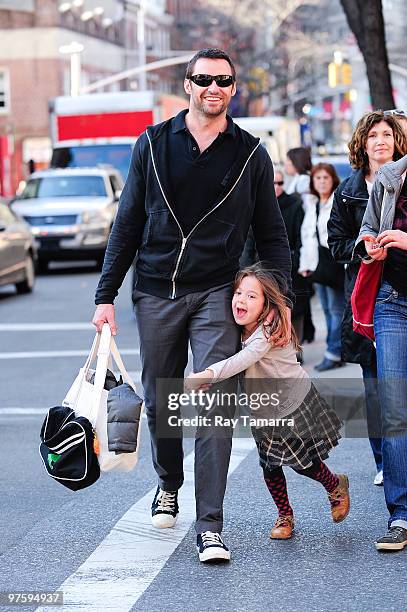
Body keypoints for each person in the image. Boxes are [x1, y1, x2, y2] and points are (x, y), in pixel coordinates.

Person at [92, 48, 293, 563]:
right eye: (204, 79)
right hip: (156, 289)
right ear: (187, 84)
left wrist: (280, 302)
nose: (214, 88)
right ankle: (169, 480)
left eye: (224, 81)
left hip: (215, 293)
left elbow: (271, 234)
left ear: (233, 88)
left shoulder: (250, 154)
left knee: (214, 402)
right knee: (162, 404)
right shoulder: (154, 144)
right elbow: (127, 223)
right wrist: (105, 296)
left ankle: (210, 526)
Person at [186, 265, 350, 541]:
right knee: (270, 465)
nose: (241, 300)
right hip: (263, 411)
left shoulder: (268, 329)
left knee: (301, 462)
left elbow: (243, 360)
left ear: (266, 304)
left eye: (252, 296)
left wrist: (207, 374)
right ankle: (285, 515)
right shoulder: (237, 327)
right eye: (239, 293)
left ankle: (335, 486)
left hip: (292, 405)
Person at [328, 110, 407, 485]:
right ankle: (383, 462)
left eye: (387, 135)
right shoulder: (348, 192)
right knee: (377, 386)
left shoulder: (403, 182)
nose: (381, 141)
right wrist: (364, 249)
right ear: (362, 143)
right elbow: (337, 243)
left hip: (397, 285)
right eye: (373, 135)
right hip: (366, 295)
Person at [354, 154, 407, 551]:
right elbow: (368, 226)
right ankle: (400, 515)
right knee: (394, 409)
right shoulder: (391, 176)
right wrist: (369, 244)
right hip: (392, 302)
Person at [299, 163, 345, 371]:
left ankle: (334, 353)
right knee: (327, 310)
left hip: (335, 263)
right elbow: (307, 237)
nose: (322, 181)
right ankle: (337, 349)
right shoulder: (312, 203)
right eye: (318, 178)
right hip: (319, 265)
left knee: (337, 310)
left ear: (333, 179)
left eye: (326, 177)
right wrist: (305, 265)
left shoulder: (338, 201)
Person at [273, 169, 308, 360]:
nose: (276, 187)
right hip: (264, 268)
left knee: (296, 309)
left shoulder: (293, 204)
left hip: (292, 264)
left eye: (279, 183)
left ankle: (296, 350)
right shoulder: (258, 202)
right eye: (272, 184)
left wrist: (298, 261)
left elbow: (301, 236)